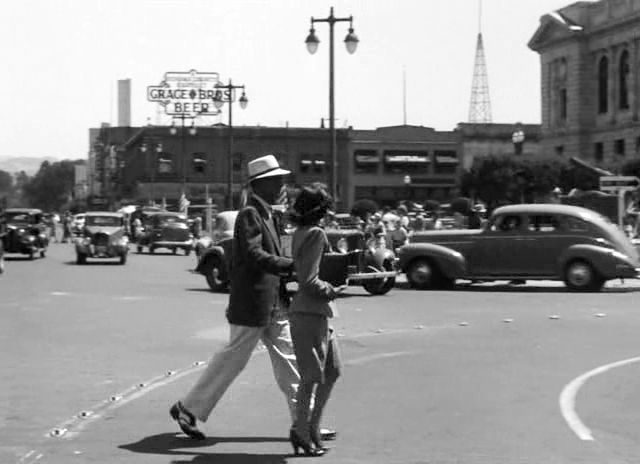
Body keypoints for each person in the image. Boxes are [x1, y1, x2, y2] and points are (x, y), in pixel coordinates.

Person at [169, 154, 338, 442]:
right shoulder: (250, 214)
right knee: (232, 361)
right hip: (254, 302)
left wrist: (291, 267)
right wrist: (291, 267)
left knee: (291, 362)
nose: (283, 185)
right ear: (263, 184)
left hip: (272, 301)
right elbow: (253, 254)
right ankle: (188, 408)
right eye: (278, 181)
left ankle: (305, 422)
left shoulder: (268, 213)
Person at [288, 183, 345, 456]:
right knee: (311, 376)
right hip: (310, 311)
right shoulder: (316, 234)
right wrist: (331, 288)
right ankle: (303, 430)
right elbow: (309, 280)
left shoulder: (300, 232)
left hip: (312, 312)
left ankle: (310, 427)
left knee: (332, 370)